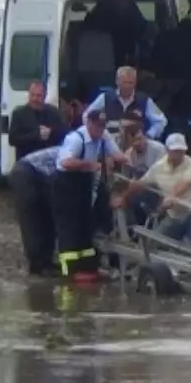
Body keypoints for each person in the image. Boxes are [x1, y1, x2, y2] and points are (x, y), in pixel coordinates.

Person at [52, 109, 128, 280]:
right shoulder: (76, 139)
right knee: (69, 224)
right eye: (96, 126)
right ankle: (69, 269)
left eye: (102, 126)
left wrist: (125, 159)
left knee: (86, 222)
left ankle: (88, 266)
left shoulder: (103, 136)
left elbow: (115, 154)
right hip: (67, 183)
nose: (99, 130)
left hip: (85, 183)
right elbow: (66, 162)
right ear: (88, 123)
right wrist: (89, 164)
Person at [112, 133, 191, 241]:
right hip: (174, 216)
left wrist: (172, 197)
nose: (179, 154)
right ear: (168, 150)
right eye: (176, 151)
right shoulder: (158, 167)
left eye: (182, 150)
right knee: (153, 242)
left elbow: (185, 183)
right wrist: (123, 197)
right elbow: (141, 184)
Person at [9, 146, 60, 275]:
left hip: (37, 172)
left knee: (47, 218)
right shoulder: (74, 157)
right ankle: (37, 265)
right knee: (32, 220)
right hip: (25, 173)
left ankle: (46, 261)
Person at [84, 66, 167, 139]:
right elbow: (87, 115)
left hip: (135, 144)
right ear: (117, 81)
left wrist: (149, 136)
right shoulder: (105, 97)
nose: (127, 86)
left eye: (130, 83)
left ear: (135, 83)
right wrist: (95, 134)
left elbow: (161, 121)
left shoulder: (144, 100)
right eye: (124, 82)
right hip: (109, 143)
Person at [8, 80, 68, 159]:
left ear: (45, 96)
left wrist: (51, 132)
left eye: (39, 95)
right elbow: (12, 140)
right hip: (26, 162)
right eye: (32, 95)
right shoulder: (18, 113)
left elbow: (64, 133)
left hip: (47, 161)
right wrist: (36, 135)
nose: (35, 99)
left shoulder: (53, 112)